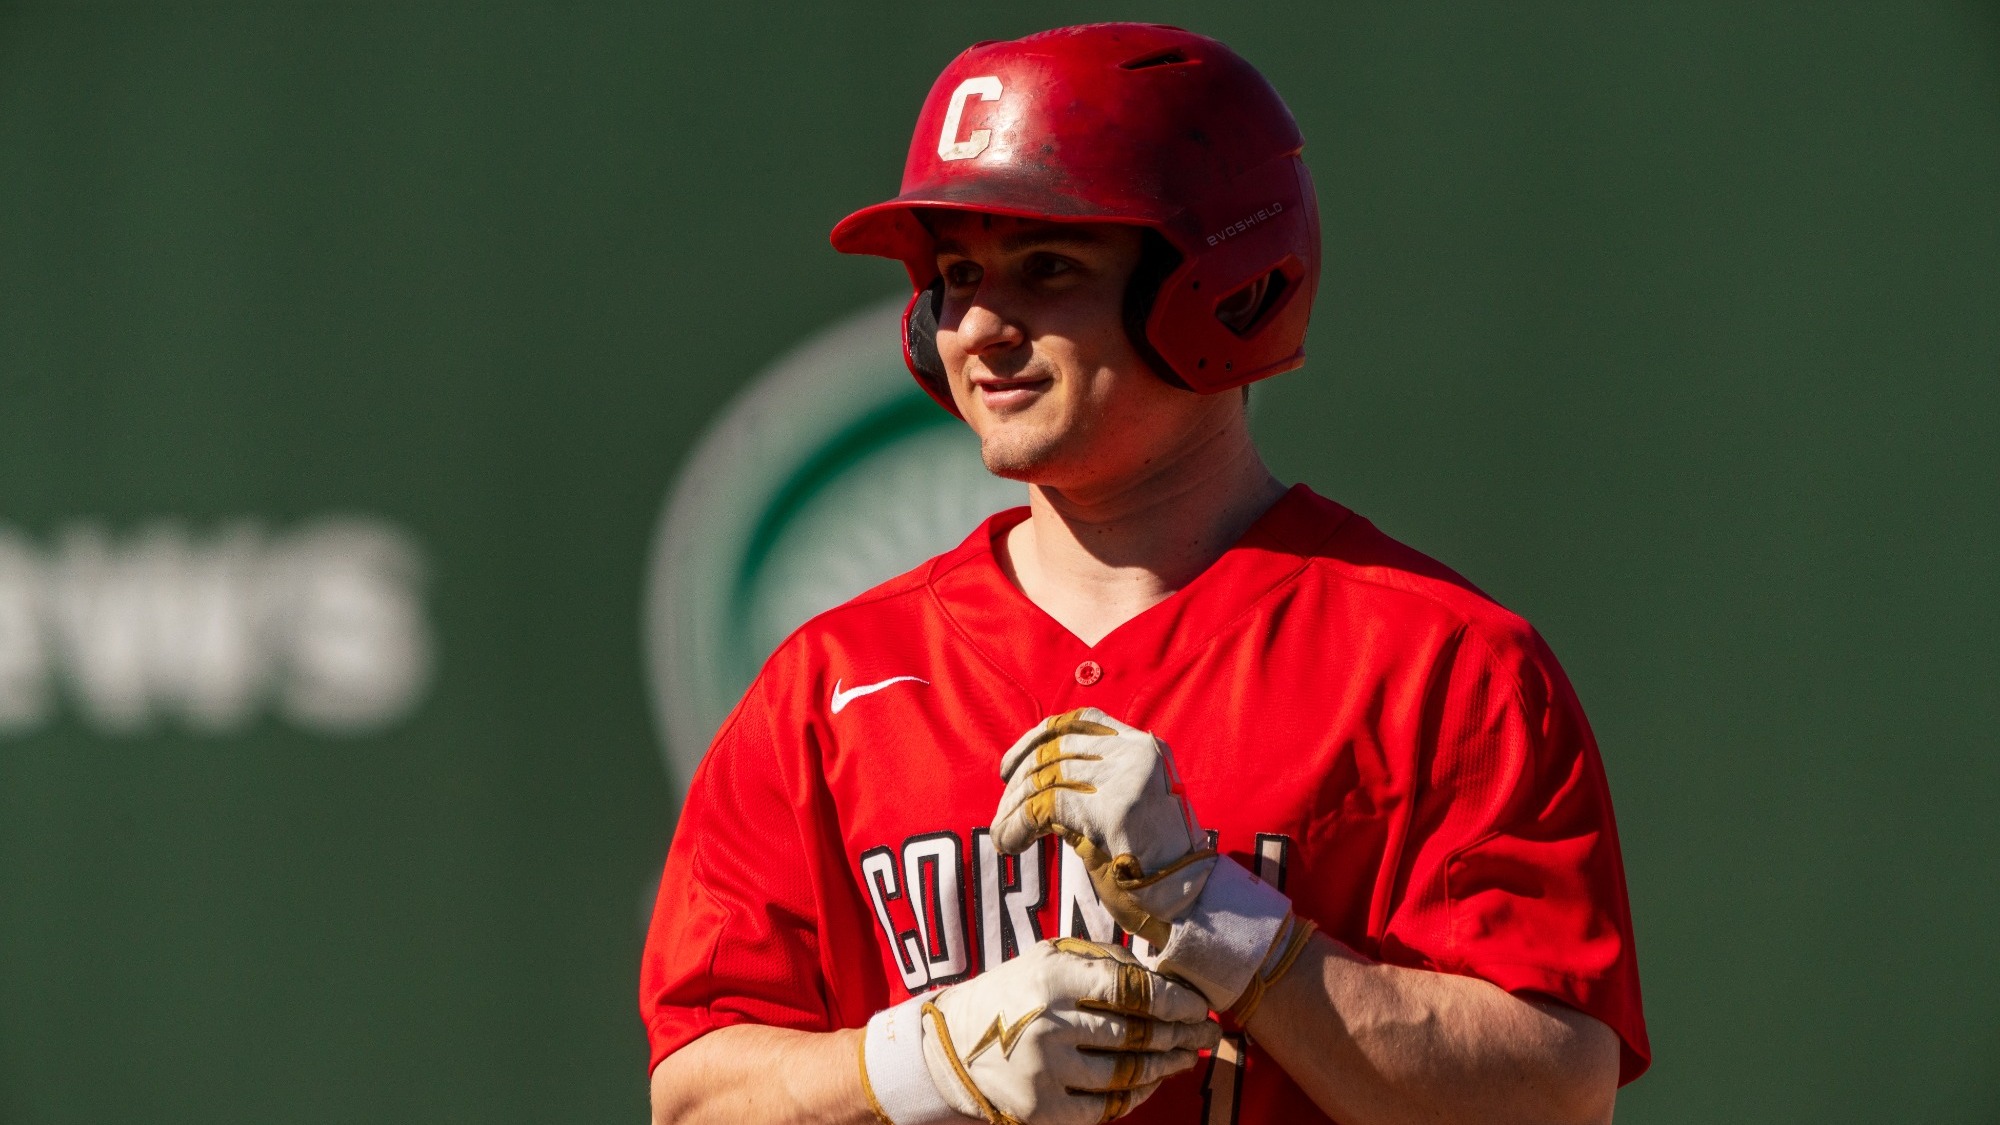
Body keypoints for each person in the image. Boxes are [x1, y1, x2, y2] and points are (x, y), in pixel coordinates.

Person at [642, 22, 1648, 1125]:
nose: (978, 326)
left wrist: (1220, 920)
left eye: (1046, 269)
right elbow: (695, 1100)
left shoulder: (1440, 667)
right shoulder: (829, 685)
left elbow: (1551, 1099)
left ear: (1217, 285)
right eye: (957, 276)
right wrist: (925, 1063)